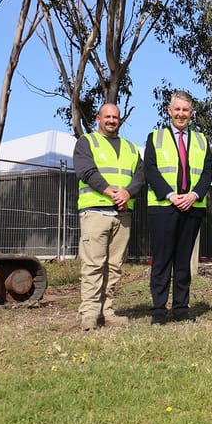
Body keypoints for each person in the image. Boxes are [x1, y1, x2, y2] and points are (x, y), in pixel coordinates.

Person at [74, 103, 145, 331]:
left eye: (115, 117)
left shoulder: (131, 148)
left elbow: (140, 176)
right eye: (108, 117)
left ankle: (108, 310)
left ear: (120, 120)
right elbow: (86, 170)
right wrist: (110, 191)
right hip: (95, 212)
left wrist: (127, 193)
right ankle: (90, 313)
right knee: (93, 264)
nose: (112, 120)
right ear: (98, 118)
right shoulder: (87, 142)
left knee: (114, 266)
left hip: (122, 215)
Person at [144, 91, 212, 325]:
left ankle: (181, 309)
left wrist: (194, 195)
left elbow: (206, 173)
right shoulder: (155, 137)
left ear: (191, 113)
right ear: (169, 111)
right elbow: (150, 170)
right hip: (164, 207)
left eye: (186, 110)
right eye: (177, 109)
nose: (181, 114)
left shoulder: (202, 140)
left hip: (192, 208)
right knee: (162, 261)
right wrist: (172, 196)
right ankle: (159, 311)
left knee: (184, 261)